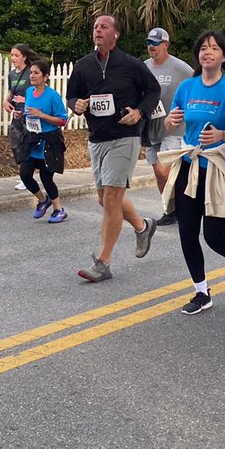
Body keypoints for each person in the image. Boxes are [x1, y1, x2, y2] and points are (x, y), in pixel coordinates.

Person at [162, 29, 225, 315]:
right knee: (187, 234)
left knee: (214, 236)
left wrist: (222, 135)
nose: (207, 52)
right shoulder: (187, 87)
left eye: (214, 48)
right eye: (203, 47)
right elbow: (173, 122)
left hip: (218, 167)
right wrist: (170, 120)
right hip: (189, 166)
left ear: (223, 56)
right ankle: (201, 292)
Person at [67, 15, 162, 283]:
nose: (98, 30)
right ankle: (143, 227)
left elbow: (152, 91)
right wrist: (76, 104)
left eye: (104, 27)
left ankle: (103, 263)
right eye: (95, 26)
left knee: (110, 199)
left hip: (125, 136)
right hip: (97, 138)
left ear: (115, 34)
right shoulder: (84, 65)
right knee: (106, 199)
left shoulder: (131, 65)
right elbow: (71, 95)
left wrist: (140, 112)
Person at [144, 27, 195, 226]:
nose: (151, 47)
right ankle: (171, 209)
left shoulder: (181, 68)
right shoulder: (144, 67)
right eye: (149, 43)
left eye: (155, 44)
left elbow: (195, 88)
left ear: (166, 45)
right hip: (151, 128)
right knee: (158, 172)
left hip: (175, 127)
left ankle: (183, 207)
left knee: (164, 170)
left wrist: (189, 112)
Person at [19, 56, 69, 224]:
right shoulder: (28, 92)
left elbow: (63, 120)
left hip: (50, 142)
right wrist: (21, 115)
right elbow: (29, 113)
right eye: (31, 73)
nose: (32, 76)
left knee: (47, 178)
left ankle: (58, 209)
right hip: (32, 140)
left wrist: (42, 115)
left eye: (36, 73)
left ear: (46, 76)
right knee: (25, 174)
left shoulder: (52, 96)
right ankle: (42, 200)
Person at [4, 44, 39, 191]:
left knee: (28, 144)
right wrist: (6, 101)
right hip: (17, 115)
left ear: (24, 57)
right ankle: (25, 174)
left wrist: (25, 101)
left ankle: (26, 177)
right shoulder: (12, 75)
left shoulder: (30, 73)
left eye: (16, 55)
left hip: (30, 114)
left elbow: (39, 92)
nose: (13, 58)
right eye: (12, 55)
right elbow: (12, 92)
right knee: (16, 143)